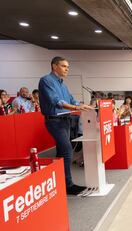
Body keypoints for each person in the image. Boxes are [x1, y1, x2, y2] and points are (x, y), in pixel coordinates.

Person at [38, 56, 93, 195]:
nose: (67, 69)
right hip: (55, 121)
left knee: (62, 153)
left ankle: (58, 182)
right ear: (54, 66)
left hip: (65, 120)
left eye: (68, 67)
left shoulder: (63, 84)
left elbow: (71, 99)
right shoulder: (46, 81)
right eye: (64, 66)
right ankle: (68, 185)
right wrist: (75, 107)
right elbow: (56, 101)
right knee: (67, 151)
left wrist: (83, 105)